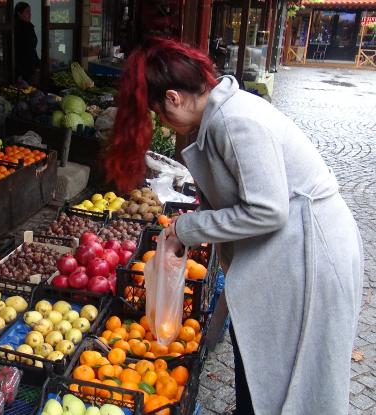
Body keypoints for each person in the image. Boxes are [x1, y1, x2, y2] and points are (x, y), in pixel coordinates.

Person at [105, 38, 363, 415]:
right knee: (263, 353)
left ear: (174, 97)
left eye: (158, 111)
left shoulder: (235, 120)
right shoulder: (223, 113)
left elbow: (267, 210)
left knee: (294, 365)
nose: (162, 121)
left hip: (311, 254)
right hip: (290, 251)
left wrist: (188, 229)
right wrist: (189, 230)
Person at [14, 2, 40, 85]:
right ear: (19, 13)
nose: (30, 14)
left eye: (30, 11)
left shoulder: (28, 27)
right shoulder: (16, 28)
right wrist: (19, 73)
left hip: (30, 67)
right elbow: (18, 51)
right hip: (21, 69)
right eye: (27, 11)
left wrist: (37, 63)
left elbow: (32, 49)